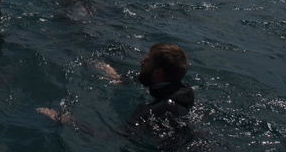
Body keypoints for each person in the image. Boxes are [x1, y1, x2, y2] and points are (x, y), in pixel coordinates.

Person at [37, 43, 194, 133]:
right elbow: (144, 80)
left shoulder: (152, 110)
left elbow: (115, 135)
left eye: (147, 61)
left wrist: (67, 120)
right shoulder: (184, 92)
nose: (141, 62)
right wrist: (116, 78)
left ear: (158, 73)